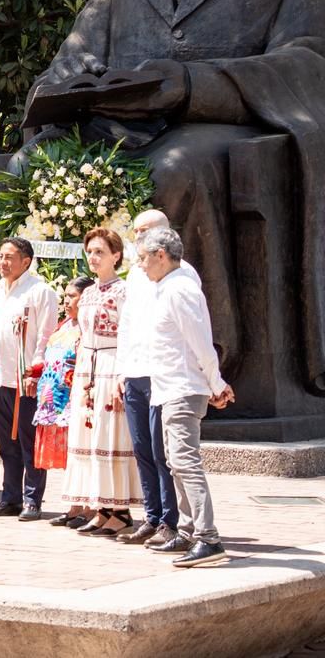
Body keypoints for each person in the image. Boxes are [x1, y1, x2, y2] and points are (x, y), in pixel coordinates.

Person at [17, 0, 325, 390]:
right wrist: (74, 85)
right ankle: (57, 353)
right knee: (28, 164)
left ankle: (199, 360)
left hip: (224, 127)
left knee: (175, 168)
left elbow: (308, 64)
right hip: (115, 127)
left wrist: (190, 85)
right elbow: (63, 65)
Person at [137, 227, 234, 566]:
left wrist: (216, 383)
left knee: (186, 463)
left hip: (183, 387)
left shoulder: (180, 289)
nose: (141, 265)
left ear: (161, 255)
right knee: (176, 463)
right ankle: (189, 531)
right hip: (169, 388)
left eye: (144, 258)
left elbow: (201, 343)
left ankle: (209, 538)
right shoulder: (166, 288)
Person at [114, 209, 201, 547]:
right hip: (135, 370)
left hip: (161, 373)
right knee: (142, 448)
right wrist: (122, 369)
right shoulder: (137, 274)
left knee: (162, 451)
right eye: (135, 231)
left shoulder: (182, 274)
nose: (137, 237)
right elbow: (127, 323)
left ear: (164, 233)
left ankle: (171, 521)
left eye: (144, 230)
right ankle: (152, 517)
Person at [61, 228, 141, 537]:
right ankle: (102, 507)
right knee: (90, 437)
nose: (93, 257)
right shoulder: (90, 292)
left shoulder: (123, 291)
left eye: (100, 252)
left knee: (111, 436)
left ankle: (120, 511)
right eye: (90, 252)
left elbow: (129, 335)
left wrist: (123, 374)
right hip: (88, 369)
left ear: (116, 256)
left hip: (111, 364)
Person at [0, 238, 58, 521]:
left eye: (9, 257)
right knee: (6, 445)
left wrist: (35, 372)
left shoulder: (40, 291)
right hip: (0, 379)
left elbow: (46, 337)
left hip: (26, 382)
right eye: (1, 256)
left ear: (26, 261)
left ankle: (32, 499)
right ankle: (10, 497)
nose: (3, 262)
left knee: (29, 442)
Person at [38, 276, 94, 527]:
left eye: (73, 296)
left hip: (78, 398)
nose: (67, 301)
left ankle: (90, 508)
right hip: (56, 399)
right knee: (72, 455)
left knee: (84, 453)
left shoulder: (89, 328)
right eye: (66, 296)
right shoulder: (63, 326)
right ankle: (74, 506)